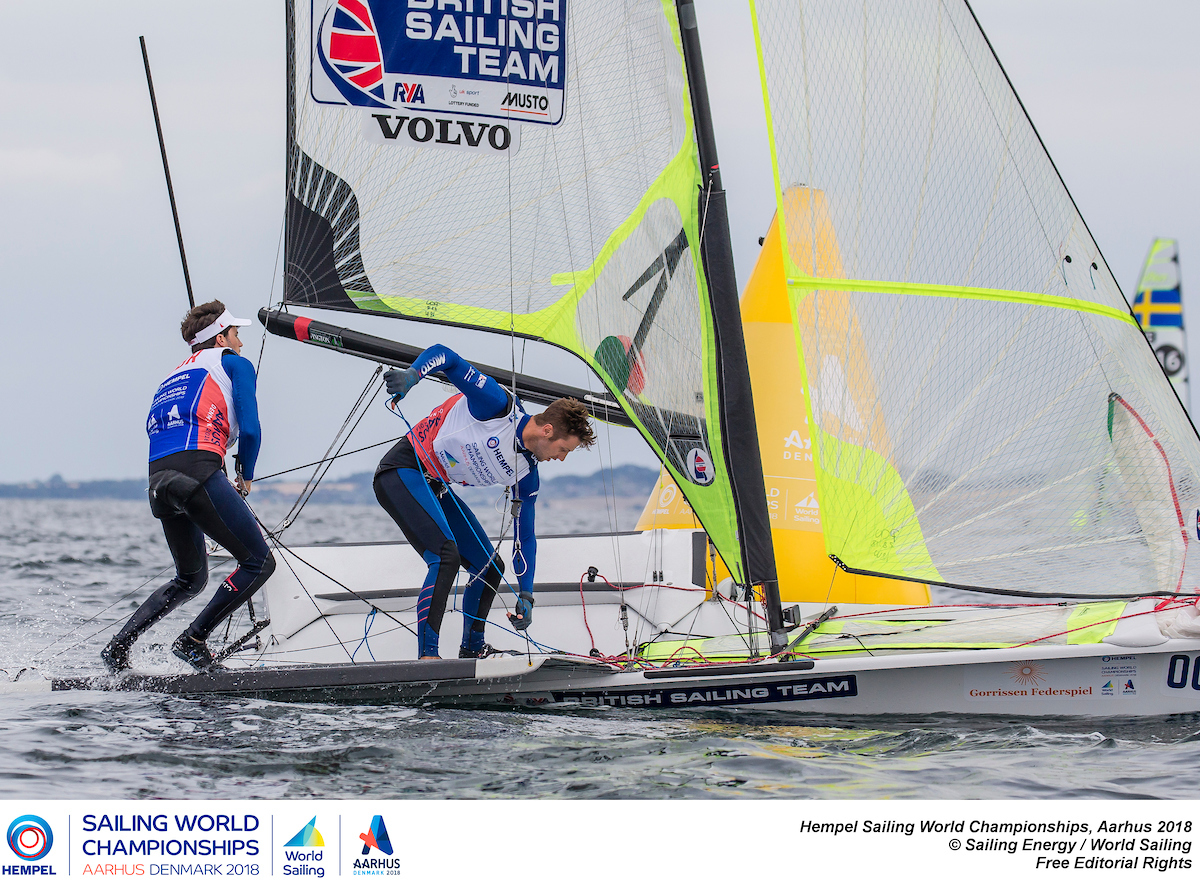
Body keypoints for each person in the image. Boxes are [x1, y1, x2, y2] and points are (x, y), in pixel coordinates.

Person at [374, 344, 595, 659]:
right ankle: (428, 656)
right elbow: (447, 357)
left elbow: (525, 536)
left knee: (490, 567)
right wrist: (413, 375)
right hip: (401, 470)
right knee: (446, 556)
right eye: (563, 449)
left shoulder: (526, 474)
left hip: (434, 485)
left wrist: (527, 593)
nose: (561, 458)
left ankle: (473, 649)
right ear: (547, 431)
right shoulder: (496, 405)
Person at [101, 301, 275, 672]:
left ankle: (117, 648)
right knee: (259, 562)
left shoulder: (173, 374)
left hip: (158, 481)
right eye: (236, 334)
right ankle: (193, 640)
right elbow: (251, 430)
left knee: (191, 579)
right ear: (221, 338)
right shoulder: (235, 363)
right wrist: (245, 474)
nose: (241, 342)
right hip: (196, 473)